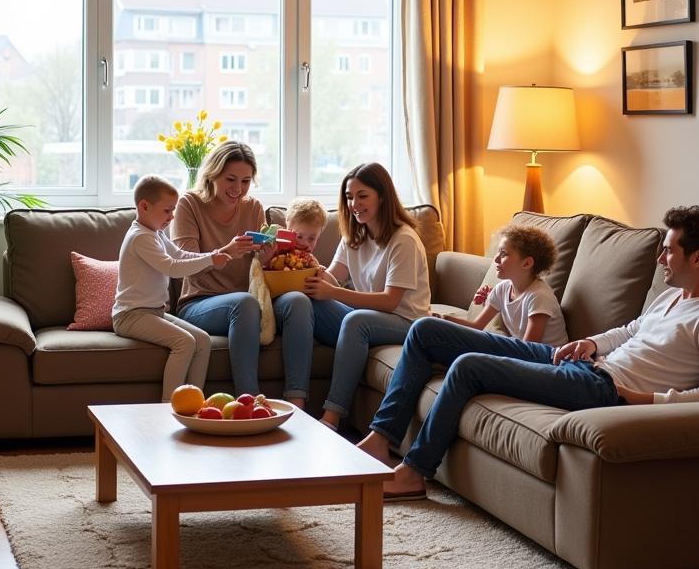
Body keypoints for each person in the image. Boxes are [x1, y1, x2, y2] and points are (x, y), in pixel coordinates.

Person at [358, 205, 699, 500]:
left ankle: (414, 473)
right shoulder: (672, 296)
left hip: (602, 389)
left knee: (468, 366)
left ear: (697, 258)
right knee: (428, 330)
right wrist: (591, 343)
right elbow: (631, 330)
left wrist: (643, 398)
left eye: (668, 251)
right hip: (584, 363)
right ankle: (381, 437)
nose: (660, 258)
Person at [172, 141, 314, 407]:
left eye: (246, 181)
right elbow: (182, 262)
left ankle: (297, 403)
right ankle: (249, 403)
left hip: (251, 299)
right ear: (212, 174)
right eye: (230, 179)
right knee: (245, 303)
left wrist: (266, 257)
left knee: (298, 301)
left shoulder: (253, 207)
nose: (238, 189)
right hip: (200, 302)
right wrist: (225, 252)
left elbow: (258, 269)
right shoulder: (189, 204)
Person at [304, 162, 431, 430]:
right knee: (308, 302)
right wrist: (306, 266)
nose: (354, 204)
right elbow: (332, 276)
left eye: (362, 196)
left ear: (382, 196)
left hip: (405, 321)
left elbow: (390, 301)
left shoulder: (403, 239)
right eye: (349, 197)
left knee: (356, 322)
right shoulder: (355, 233)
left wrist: (334, 292)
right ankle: (296, 400)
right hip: (369, 320)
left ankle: (331, 418)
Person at [112, 175, 231, 401]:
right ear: (144, 207)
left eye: (173, 210)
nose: (172, 216)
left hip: (154, 312)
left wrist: (211, 256)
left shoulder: (155, 233)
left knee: (202, 340)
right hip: (130, 316)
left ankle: (194, 403)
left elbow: (179, 254)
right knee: (184, 342)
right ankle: (168, 407)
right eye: (167, 210)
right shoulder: (140, 237)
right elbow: (173, 268)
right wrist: (210, 261)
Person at [432, 224, 567, 348]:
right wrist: (443, 319)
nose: (496, 259)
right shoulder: (502, 289)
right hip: (523, 352)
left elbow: (530, 350)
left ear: (526, 263)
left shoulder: (539, 297)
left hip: (546, 360)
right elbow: (477, 326)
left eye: (503, 254)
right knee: (431, 329)